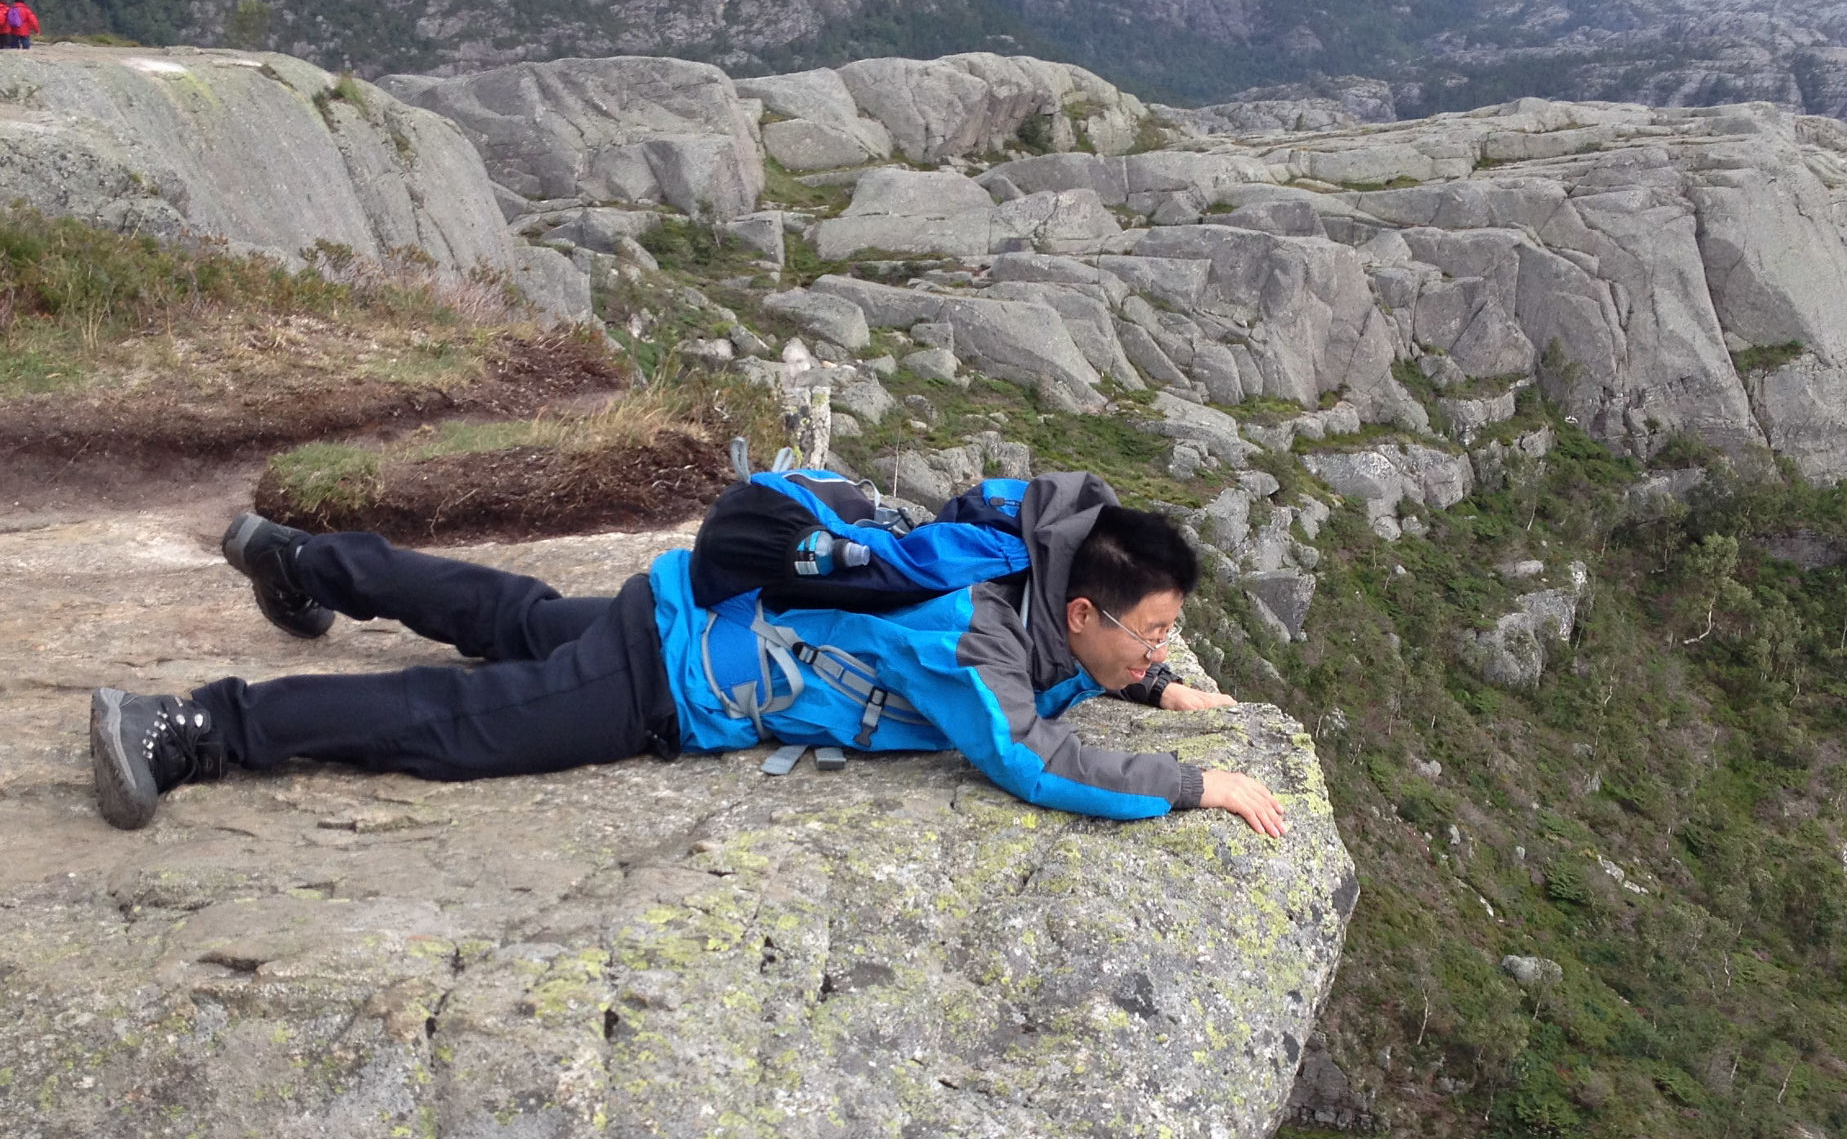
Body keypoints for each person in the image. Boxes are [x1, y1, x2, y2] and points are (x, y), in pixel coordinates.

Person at [89, 471, 1289, 837]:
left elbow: (1059, 667)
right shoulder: (964, 627)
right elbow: (1028, 753)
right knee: (450, 727)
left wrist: (1161, 683)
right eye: (1152, 626)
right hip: (667, 681)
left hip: (674, 611)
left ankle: (298, 559)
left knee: (504, 614)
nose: (1161, 643)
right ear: (1084, 608)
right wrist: (1196, 783)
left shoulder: (1024, 576)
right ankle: (191, 726)